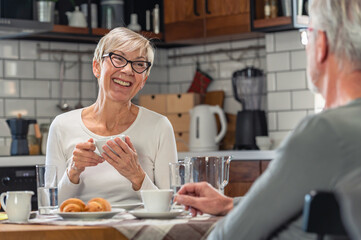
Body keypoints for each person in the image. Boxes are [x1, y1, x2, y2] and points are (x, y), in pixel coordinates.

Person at [175, 0, 361, 239]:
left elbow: (229, 236)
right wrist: (229, 204)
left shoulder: (325, 132)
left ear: (322, 44)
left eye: (307, 35)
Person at [46, 27, 177, 204]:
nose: (128, 70)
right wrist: (73, 172)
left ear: (143, 80)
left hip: (137, 231)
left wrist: (136, 175)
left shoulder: (160, 126)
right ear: (96, 67)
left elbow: (172, 205)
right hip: (80, 230)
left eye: (139, 64)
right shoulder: (61, 126)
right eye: (118, 59)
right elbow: (49, 206)